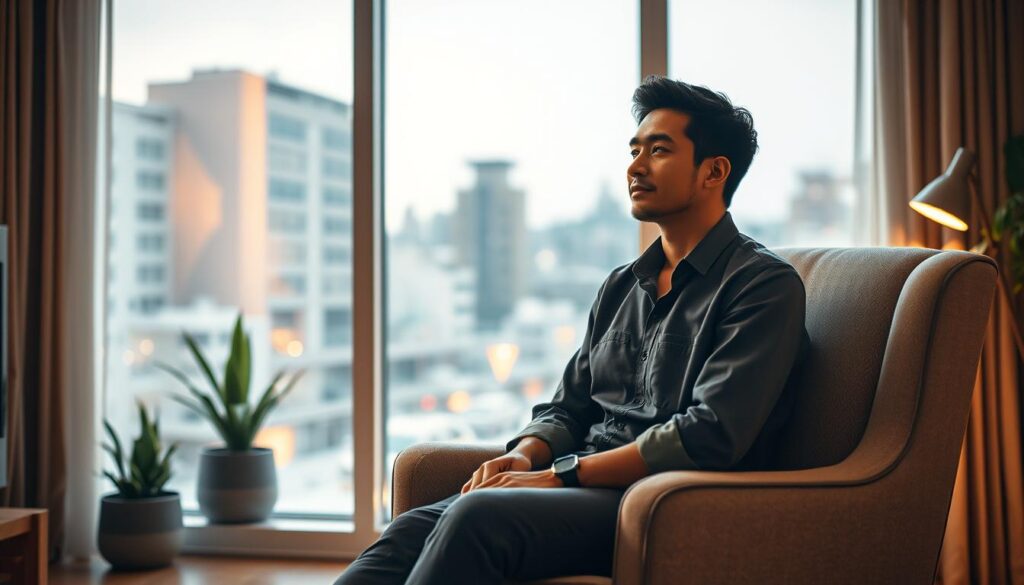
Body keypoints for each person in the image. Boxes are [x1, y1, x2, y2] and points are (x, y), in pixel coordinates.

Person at [334, 75, 810, 585]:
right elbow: (568, 406)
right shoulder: (620, 286)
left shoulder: (762, 285)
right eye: (634, 150)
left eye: (660, 150)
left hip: (659, 501)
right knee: (411, 528)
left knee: (476, 519)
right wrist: (523, 454)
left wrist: (560, 475)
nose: (636, 166)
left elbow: (711, 433)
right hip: (579, 486)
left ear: (713, 171)